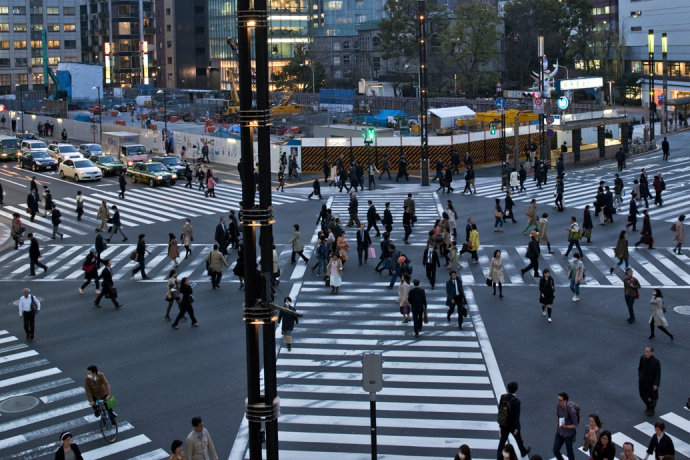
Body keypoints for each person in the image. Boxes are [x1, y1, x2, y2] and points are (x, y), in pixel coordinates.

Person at [497, 381, 530, 460]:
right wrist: (516, 428)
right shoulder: (516, 402)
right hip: (512, 425)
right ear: (516, 390)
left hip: (504, 424)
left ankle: (499, 456)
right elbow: (516, 416)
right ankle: (523, 451)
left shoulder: (503, 397)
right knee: (518, 439)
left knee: (502, 441)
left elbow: (500, 410)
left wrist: (501, 424)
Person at [553, 392, 579, 460]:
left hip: (569, 434)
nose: (558, 401)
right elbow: (558, 417)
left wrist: (566, 427)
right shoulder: (558, 406)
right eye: (558, 400)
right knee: (555, 450)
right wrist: (557, 429)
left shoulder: (571, 411)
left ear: (565, 401)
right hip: (560, 432)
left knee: (569, 452)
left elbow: (575, 425)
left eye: (560, 400)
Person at [638, 346, 661, 416]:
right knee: (642, 395)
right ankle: (649, 405)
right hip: (643, 381)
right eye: (645, 351)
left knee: (653, 396)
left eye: (647, 352)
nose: (646, 353)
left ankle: (651, 409)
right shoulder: (642, 358)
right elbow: (640, 368)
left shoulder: (656, 362)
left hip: (652, 382)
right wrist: (640, 376)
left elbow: (658, 373)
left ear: (652, 353)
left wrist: (656, 384)